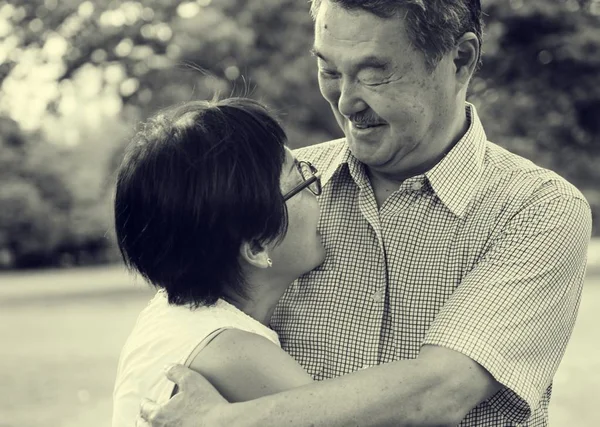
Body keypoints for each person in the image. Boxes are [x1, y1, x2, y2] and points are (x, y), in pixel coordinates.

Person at [138, 0, 592, 426]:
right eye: (329, 69)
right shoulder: (273, 195)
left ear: (460, 59)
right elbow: (186, 322)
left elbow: (443, 388)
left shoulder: (537, 209)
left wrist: (227, 422)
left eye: (375, 73)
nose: (345, 101)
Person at [111, 97, 328, 426]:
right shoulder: (233, 352)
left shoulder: (175, 319)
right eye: (301, 178)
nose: (319, 190)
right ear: (257, 245)